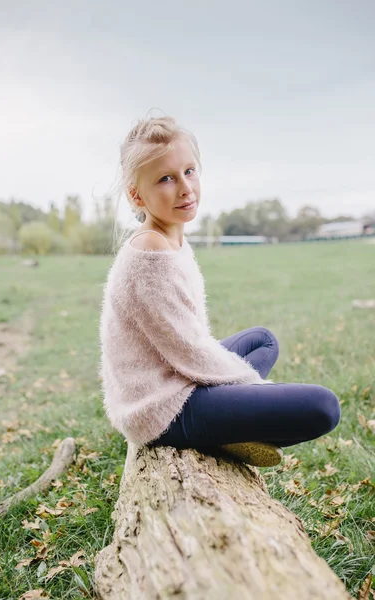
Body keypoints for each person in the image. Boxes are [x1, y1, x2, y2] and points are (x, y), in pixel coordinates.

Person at [99, 113, 341, 467]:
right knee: (323, 407)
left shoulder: (169, 238)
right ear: (137, 195)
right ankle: (224, 431)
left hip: (176, 377)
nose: (185, 187)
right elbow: (190, 352)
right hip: (160, 409)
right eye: (166, 178)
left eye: (189, 171)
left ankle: (232, 425)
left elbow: (190, 346)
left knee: (263, 340)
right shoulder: (149, 255)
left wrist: (242, 391)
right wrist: (257, 390)